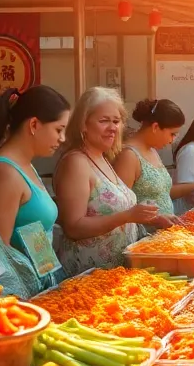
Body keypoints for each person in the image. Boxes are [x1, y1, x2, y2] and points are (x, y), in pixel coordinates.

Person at [55, 88, 162, 275]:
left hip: (116, 274)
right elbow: (73, 226)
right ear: (83, 125)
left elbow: (121, 213)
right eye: (104, 121)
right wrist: (127, 216)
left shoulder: (102, 157)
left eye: (116, 121)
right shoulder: (76, 162)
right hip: (88, 277)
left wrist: (153, 218)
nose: (112, 127)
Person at [0, 86, 71, 252]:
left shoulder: (25, 165)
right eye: (58, 129)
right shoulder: (4, 174)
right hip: (17, 278)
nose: (62, 138)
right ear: (34, 125)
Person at [116, 99, 194, 228]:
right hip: (143, 237)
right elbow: (122, 209)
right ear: (155, 127)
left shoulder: (152, 151)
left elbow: (165, 192)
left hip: (164, 234)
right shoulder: (128, 155)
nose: (172, 141)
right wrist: (154, 219)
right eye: (172, 134)